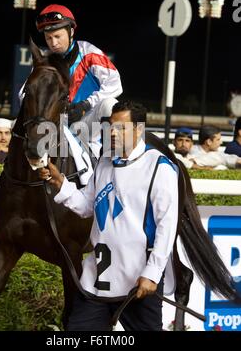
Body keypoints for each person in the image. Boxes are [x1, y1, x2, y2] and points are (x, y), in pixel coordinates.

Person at [39, 100, 179, 331]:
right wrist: (60, 184)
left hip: (138, 281)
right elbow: (86, 205)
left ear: (139, 129)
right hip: (97, 280)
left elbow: (167, 225)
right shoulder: (104, 163)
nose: (113, 133)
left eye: (121, 128)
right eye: (111, 126)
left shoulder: (159, 167)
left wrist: (153, 273)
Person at [20, 4, 123, 156]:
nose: (53, 43)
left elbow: (115, 85)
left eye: (57, 37)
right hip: (55, 124)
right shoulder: (44, 62)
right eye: (48, 38)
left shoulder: (89, 53)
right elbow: (23, 94)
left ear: (71, 32)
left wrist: (86, 104)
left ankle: (116, 159)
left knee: (110, 104)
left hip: (88, 122)